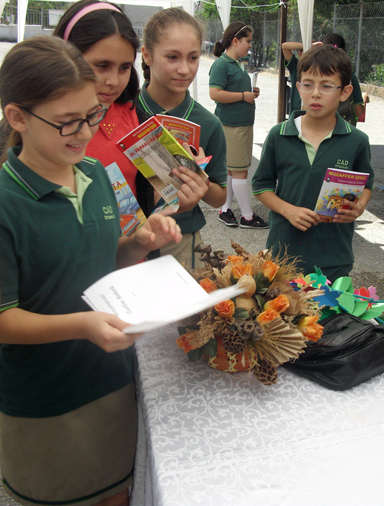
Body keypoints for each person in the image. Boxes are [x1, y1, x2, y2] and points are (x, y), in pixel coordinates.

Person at [0, 36, 181, 506]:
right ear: (17, 117)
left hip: (112, 379)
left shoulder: (96, 174)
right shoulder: (6, 203)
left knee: (117, 490)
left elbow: (102, 261)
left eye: (93, 115)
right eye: (66, 122)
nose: (83, 132)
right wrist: (82, 325)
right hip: (46, 399)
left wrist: (140, 243)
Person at [252, 45, 374, 281]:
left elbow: (366, 183)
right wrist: (289, 211)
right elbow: (260, 186)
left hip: (334, 259)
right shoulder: (279, 135)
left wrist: (358, 208)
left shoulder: (357, 140)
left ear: (345, 92)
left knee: (331, 316)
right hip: (283, 256)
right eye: (308, 84)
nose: (315, 93)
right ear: (298, 88)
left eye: (327, 86)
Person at [138, 7, 228, 268]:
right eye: (172, 57)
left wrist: (197, 180)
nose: (184, 69)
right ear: (147, 55)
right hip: (123, 236)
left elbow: (219, 197)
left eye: (192, 58)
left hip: (179, 240)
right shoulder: (125, 111)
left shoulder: (208, 124)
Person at [54, 0, 141, 198]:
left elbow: (152, 196)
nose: (113, 81)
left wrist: (182, 195)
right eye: (102, 65)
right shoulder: (31, 121)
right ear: (66, 56)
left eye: (124, 68)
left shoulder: (138, 119)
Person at [210, 21, 267, 229]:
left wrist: (251, 93)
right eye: (248, 41)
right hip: (232, 126)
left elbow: (232, 92)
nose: (250, 46)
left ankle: (225, 210)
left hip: (240, 124)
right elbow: (215, 93)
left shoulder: (235, 64)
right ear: (235, 41)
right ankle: (247, 216)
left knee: (232, 170)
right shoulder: (222, 64)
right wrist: (244, 95)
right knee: (240, 170)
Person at [321, 33, 369, 126]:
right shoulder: (349, 77)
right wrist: (364, 98)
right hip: (344, 130)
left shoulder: (316, 75)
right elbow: (358, 112)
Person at [282, 41, 303, 115]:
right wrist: (307, 45)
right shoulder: (296, 66)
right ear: (300, 54)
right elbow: (285, 46)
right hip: (295, 113)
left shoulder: (320, 71)